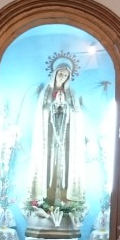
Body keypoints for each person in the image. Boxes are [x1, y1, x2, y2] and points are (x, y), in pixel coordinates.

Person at [28, 59, 87, 209]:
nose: (62, 77)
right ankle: (47, 197)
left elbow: (78, 114)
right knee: (49, 164)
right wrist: (53, 106)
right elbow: (41, 112)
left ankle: (65, 198)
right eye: (60, 74)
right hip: (49, 137)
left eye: (65, 75)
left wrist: (66, 107)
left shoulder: (71, 94)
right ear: (54, 74)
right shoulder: (46, 92)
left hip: (66, 138)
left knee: (64, 164)